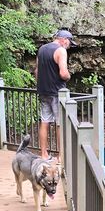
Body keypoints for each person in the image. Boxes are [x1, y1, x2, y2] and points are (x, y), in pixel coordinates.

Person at [35, 29, 74, 160]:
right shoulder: (61, 51)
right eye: (69, 42)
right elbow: (63, 73)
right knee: (60, 123)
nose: (68, 46)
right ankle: (61, 155)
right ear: (64, 39)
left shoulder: (41, 49)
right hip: (57, 93)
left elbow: (37, 71)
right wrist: (69, 76)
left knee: (44, 122)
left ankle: (44, 154)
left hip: (43, 91)